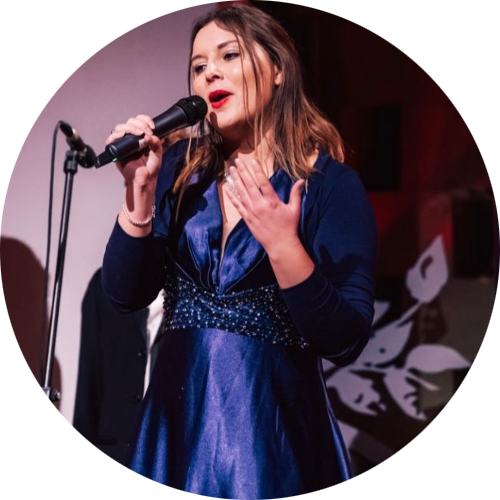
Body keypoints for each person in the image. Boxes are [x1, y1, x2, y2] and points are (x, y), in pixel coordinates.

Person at [101, 4, 377, 496]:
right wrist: (139, 193)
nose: (209, 73)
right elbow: (124, 294)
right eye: (198, 65)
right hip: (177, 430)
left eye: (229, 55)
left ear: (278, 69)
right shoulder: (179, 170)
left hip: (273, 439)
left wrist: (283, 246)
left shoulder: (329, 186)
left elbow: (345, 338)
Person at [73, 267, 165, 466]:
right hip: (114, 449)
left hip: (166, 457)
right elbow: (88, 383)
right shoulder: (106, 284)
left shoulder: (195, 291)